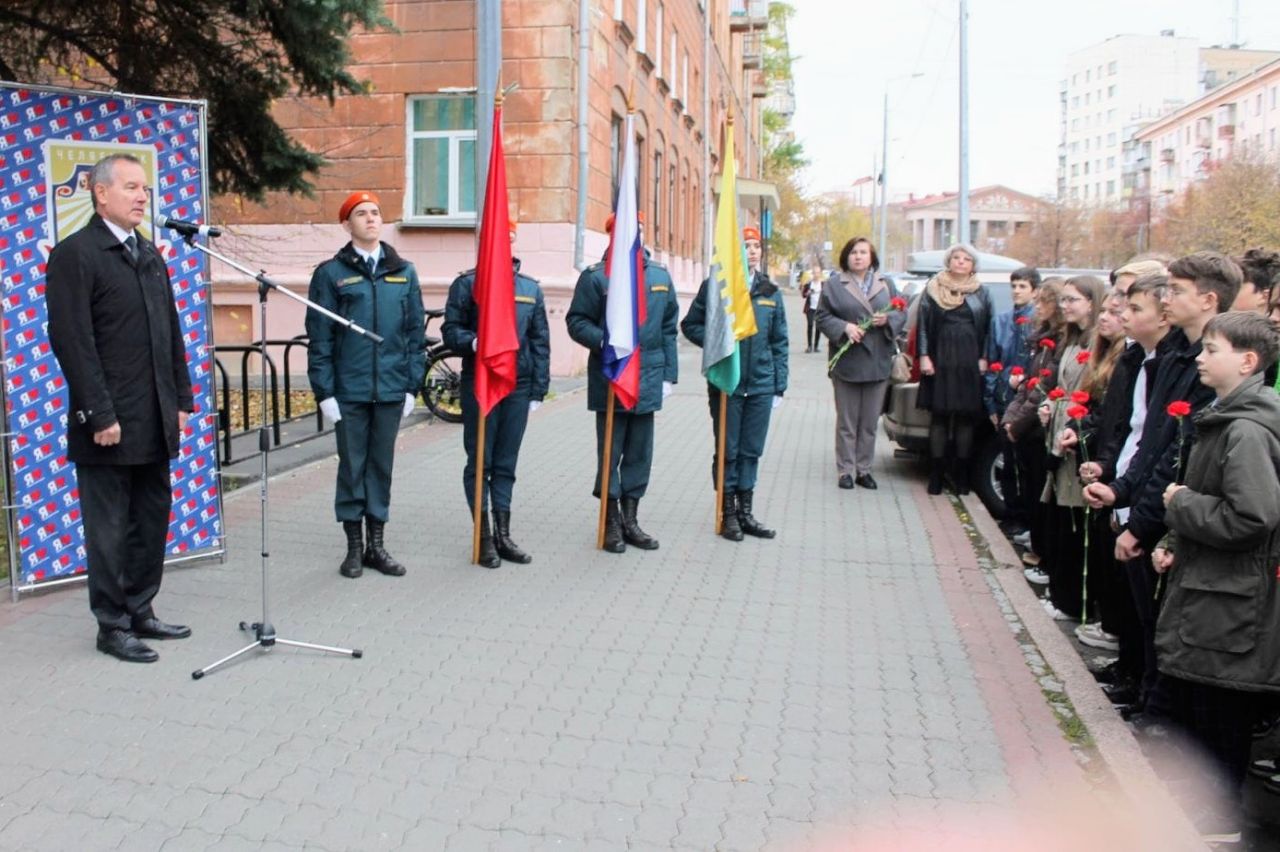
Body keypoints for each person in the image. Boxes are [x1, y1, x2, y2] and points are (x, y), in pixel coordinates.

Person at [46, 153, 195, 663]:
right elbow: (72, 341)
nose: (141, 196)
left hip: (155, 415)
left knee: (150, 518)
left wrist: (181, 399)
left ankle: (141, 610)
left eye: (145, 189)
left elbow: (170, 332)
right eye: (130, 187)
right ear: (99, 192)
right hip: (108, 422)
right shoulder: (77, 254)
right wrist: (99, 414)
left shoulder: (149, 253)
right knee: (108, 527)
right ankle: (111, 625)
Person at [1084, 251, 1242, 719]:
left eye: (1175, 290)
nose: (1166, 299)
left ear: (1209, 300)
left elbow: (1183, 454)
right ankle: (1148, 695)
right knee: (1147, 616)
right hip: (1150, 502)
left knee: (1163, 620)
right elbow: (1153, 438)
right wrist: (1122, 491)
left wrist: (1146, 516)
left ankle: (1159, 710)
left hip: (1178, 511)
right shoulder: (1173, 356)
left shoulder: (1204, 363)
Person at [1149, 311, 1280, 844]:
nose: (1199, 358)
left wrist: (1180, 506)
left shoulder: (1246, 430)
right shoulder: (1226, 419)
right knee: (1193, 715)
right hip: (1211, 594)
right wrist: (1171, 541)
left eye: (1212, 350)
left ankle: (1218, 823)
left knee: (1219, 722)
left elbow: (1251, 516)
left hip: (1230, 605)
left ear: (1247, 362)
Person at [306, 191, 426, 579]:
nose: (371, 219)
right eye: (361, 214)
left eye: (375, 213)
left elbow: (414, 335)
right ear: (347, 225)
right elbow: (319, 339)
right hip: (350, 391)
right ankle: (353, 548)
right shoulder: (330, 274)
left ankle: (377, 545)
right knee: (352, 467)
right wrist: (325, 392)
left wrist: (411, 386)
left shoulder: (403, 271)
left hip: (390, 388)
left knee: (381, 466)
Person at [566, 211, 679, 553]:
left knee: (640, 454)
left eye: (638, 231)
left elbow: (669, 328)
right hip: (612, 377)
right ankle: (611, 520)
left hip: (647, 376)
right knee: (611, 453)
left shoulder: (659, 276)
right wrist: (605, 341)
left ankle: (631, 519)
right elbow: (576, 321)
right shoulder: (596, 278)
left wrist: (669, 376)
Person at [443, 219, 550, 567]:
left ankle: (504, 534)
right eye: (495, 236)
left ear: (514, 238)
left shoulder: (530, 288)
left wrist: (538, 389)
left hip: (517, 385)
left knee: (506, 462)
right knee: (480, 460)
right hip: (481, 381)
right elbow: (450, 330)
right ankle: (484, 535)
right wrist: (475, 342)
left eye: (508, 235)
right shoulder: (467, 284)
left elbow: (540, 341)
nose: (502, 241)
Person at [681, 226, 788, 539]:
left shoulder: (770, 292)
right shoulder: (717, 287)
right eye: (746, 245)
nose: (752, 251)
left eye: (756, 246)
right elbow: (689, 325)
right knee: (728, 450)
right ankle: (727, 512)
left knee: (751, 450)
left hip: (760, 383)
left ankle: (746, 512)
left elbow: (780, 341)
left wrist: (779, 384)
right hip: (728, 383)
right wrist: (718, 343)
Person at [1037, 275, 1105, 623]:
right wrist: (1049, 404)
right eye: (1063, 299)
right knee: (1060, 517)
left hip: (1078, 437)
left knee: (1074, 523)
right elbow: (1058, 384)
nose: (1065, 306)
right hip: (1060, 427)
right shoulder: (1071, 338)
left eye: (1073, 300)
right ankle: (1061, 593)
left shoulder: (1097, 342)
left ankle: (1071, 601)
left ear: (1092, 302)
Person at [814, 237, 906, 490]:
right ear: (847, 256)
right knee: (847, 421)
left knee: (868, 422)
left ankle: (864, 469)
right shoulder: (835, 284)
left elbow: (901, 312)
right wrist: (845, 327)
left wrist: (886, 320)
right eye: (854, 252)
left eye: (863, 252)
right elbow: (821, 316)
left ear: (871, 257)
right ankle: (845, 470)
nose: (858, 257)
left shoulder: (886, 284)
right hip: (848, 362)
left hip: (877, 362)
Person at [916, 243, 993, 495]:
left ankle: (961, 475)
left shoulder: (982, 292)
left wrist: (984, 358)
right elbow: (923, 325)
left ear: (973, 265)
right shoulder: (933, 289)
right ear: (948, 261)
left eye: (966, 259)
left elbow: (989, 328)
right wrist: (924, 356)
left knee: (965, 420)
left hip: (969, 361)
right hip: (940, 359)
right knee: (939, 418)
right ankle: (936, 474)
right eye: (956, 257)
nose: (960, 262)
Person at [1000, 278, 1066, 570]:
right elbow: (1031, 383)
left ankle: (1043, 550)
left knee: (1040, 489)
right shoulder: (1041, 338)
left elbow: (1043, 385)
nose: (1036, 308)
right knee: (1030, 485)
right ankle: (1037, 538)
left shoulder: (1060, 342)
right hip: (1029, 423)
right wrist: (1011, 417)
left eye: (1042, 302)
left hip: (1040, 427)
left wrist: (1017, 422)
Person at [801, 266, 823, 353]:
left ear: (820, 274)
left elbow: (827, 296)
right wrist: (807, 293)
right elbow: (803, 295)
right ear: (812, 274)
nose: (816, 275)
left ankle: (816, 346)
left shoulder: (823, 284)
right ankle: (809, 346)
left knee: (818, 327)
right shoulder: (809, 284)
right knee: (810, 325)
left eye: (818, 273)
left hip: (820, 309)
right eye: (814, 273)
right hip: (810, 308)